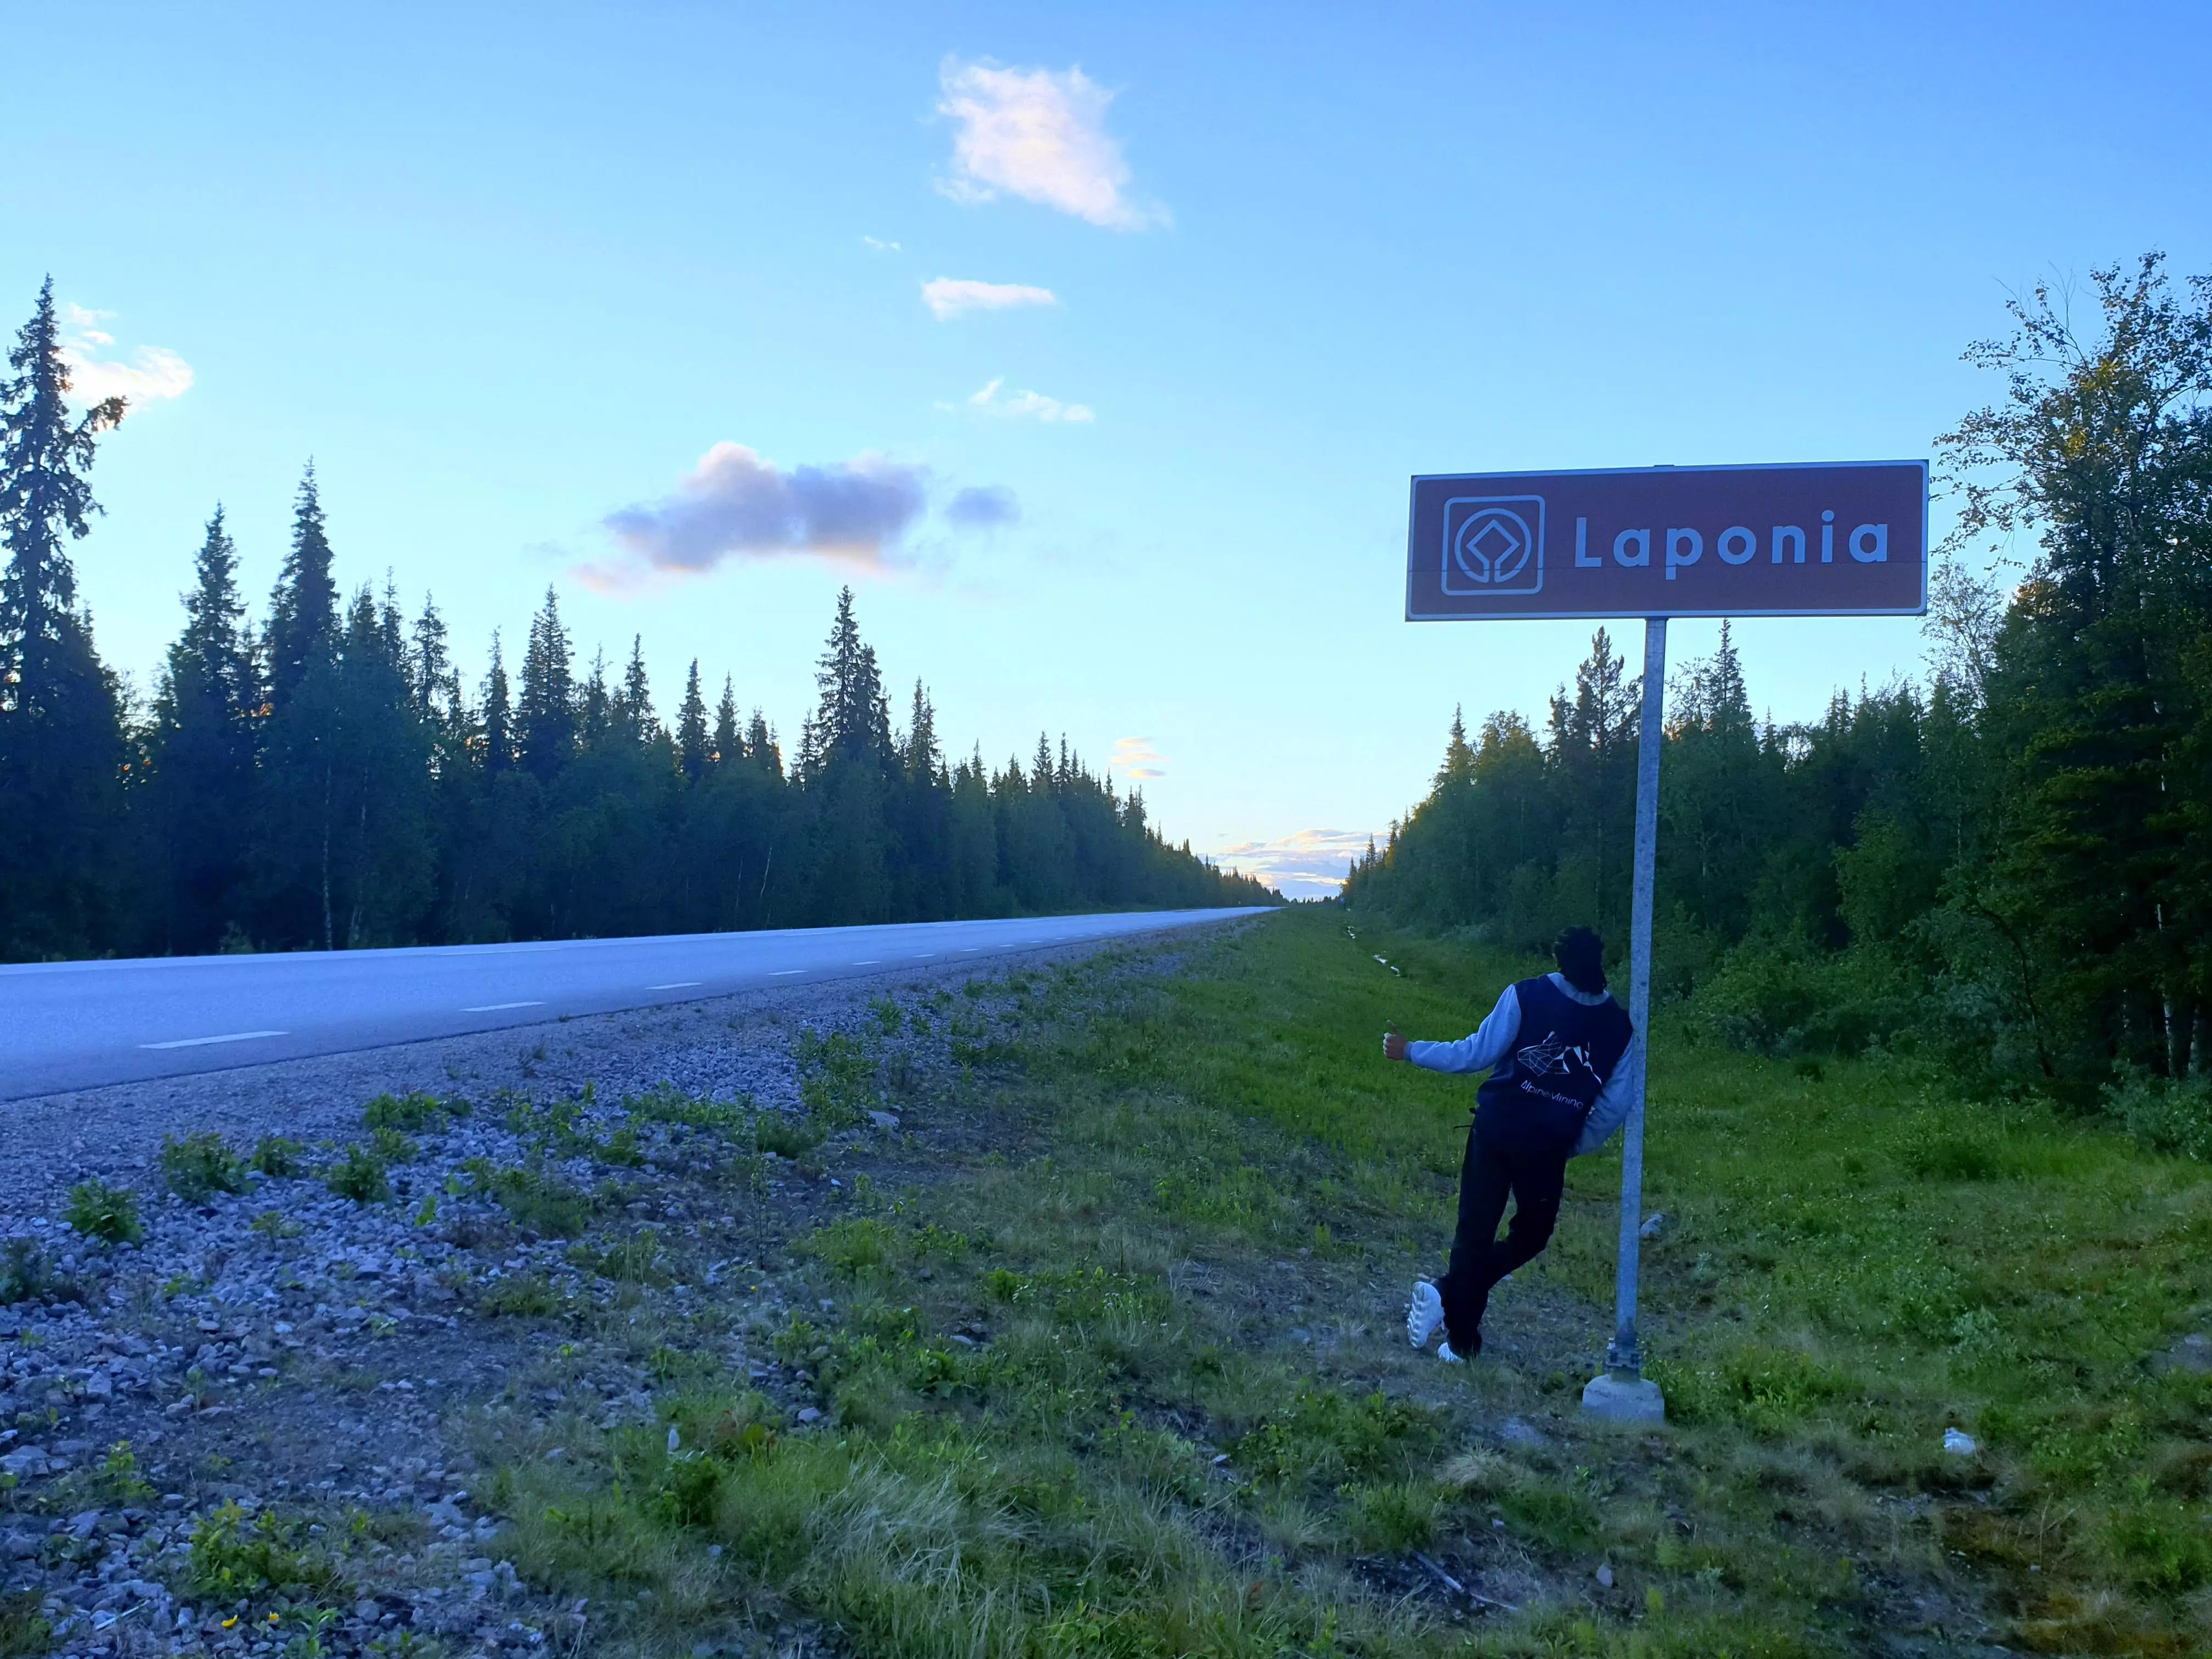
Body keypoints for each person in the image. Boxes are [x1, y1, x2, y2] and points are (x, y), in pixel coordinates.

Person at [1382, 926, 1633, 1362]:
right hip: (1547, 1148)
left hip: (1496, 1129)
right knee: (1532, 1236)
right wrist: (1571, 1143)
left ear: (1559, 960)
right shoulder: (1620, 1028)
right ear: (1601, 964)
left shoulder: (1526, 995)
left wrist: (1410, 1051)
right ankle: (1460, 1342)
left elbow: (1475, 1054)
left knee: (1475, 1231)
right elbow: (1613, 1109)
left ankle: (1448, 1297)